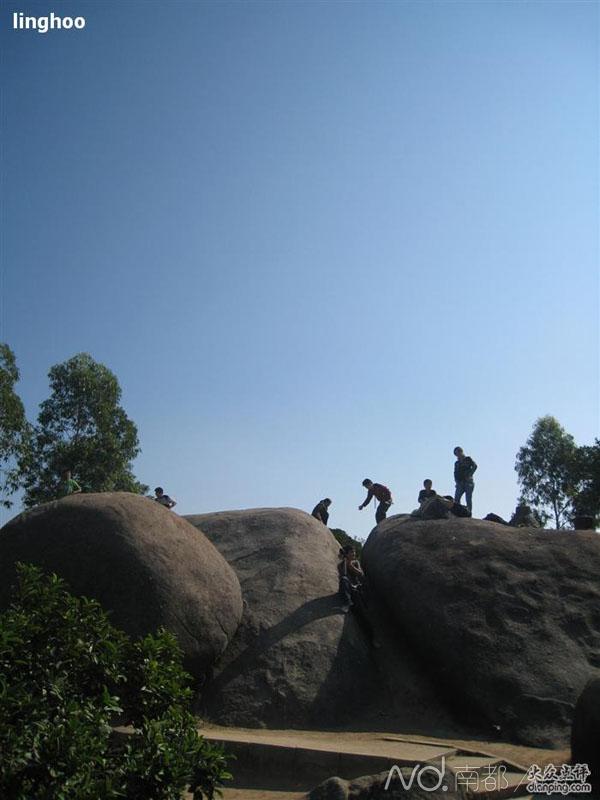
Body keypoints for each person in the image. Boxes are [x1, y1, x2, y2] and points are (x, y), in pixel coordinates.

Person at [338, 545, 365, 613]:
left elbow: (361, 574)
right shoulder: (340, 565)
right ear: (346, 554)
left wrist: (351, 566)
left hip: (356, 587)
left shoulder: (356, 562)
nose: (354, 554)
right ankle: (347, 603)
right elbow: (343, 575)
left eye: (354, 552)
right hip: (347, 588)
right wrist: (345, 563)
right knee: (344, 579)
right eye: (351, 552)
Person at [453, 447, 477, 513]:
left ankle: (469, 512)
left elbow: (475, 466)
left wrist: (470, 474)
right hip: (460, 482)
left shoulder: (468, 459)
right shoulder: (457, 463)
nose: (457, 454)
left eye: (458, 452)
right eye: (456, 453)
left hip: (468, 482)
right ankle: (458, 512)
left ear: (461, 451)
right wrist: (456, 481)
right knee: (457, 498)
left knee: (468, 498)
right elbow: (455, 472)